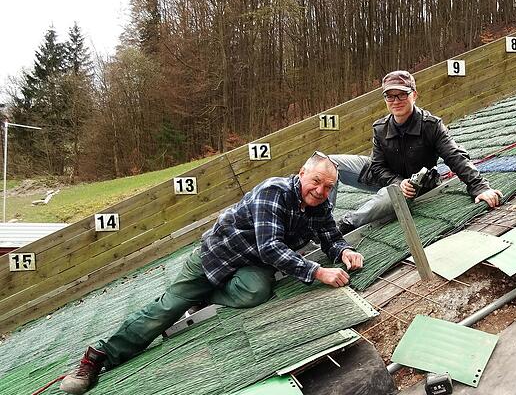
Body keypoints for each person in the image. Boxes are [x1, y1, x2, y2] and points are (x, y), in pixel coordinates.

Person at [60, 153, 365, 394]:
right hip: (214, 257)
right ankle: (96, 358)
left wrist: (342, 251)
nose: (321, 190)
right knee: (167, 309)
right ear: (301, 174)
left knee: (256, 291)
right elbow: (271, 247)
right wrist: (317, 272)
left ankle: (205, 296)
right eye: (316, 181)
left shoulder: (319, 204)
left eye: (328, 187)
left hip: (250, 264)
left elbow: (329, 235)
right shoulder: (274, 192)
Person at [331, 70, 503, 233]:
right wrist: (398, 181)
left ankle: (343, 226)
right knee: (327, 164)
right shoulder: (380, 128)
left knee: (391, 195)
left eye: (402, 94)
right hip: (387, 178)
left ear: (414, 94)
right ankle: (318, 223)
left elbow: (455, 156)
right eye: (390, 96)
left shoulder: (431, 125)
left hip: (414, 187)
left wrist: (480, 187)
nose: (396, 101)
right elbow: (376, 166)